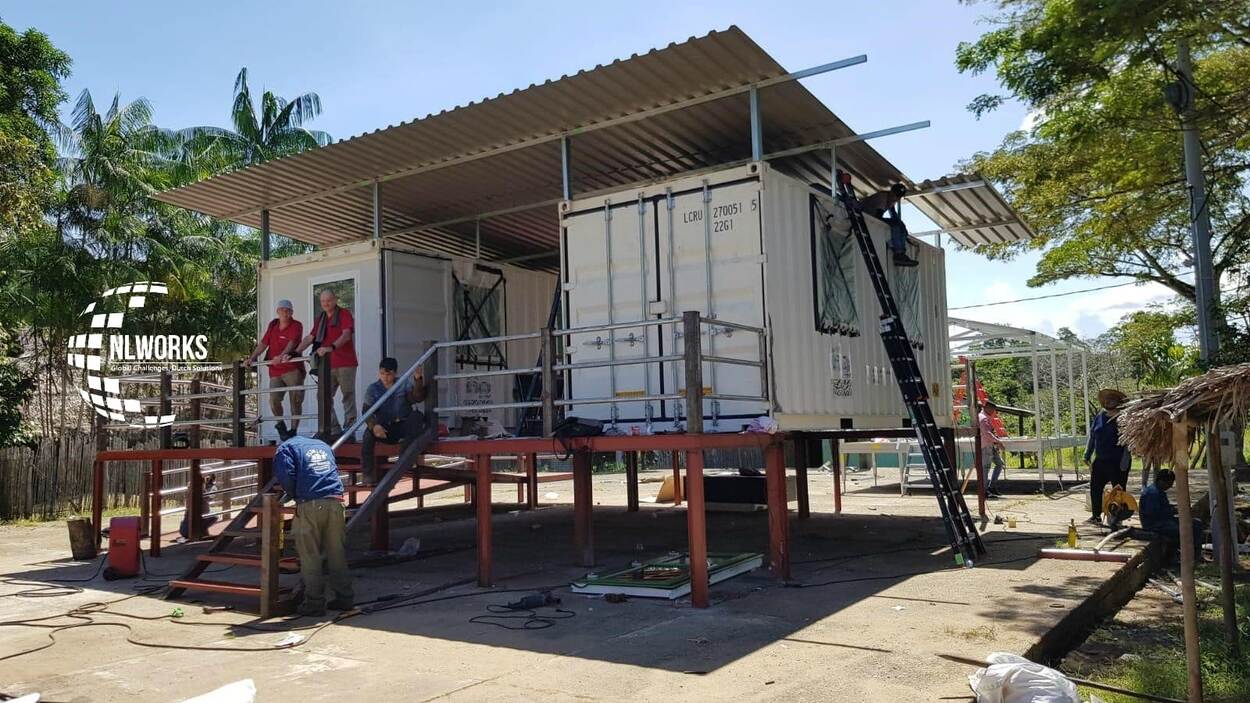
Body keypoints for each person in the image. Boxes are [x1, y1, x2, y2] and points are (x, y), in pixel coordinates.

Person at [273, 435, 352, 617]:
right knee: (336, 552)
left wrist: (292, 494)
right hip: (336, 500)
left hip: (310, 503)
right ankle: (344, 598)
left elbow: (286, 475)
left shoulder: (285, 449)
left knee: (310, 554)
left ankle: (315, 603)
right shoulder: (322, 445)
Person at [288, 289, 359, 442]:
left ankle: (349, 432)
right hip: (327, 365)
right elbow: (310, 337)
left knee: (348, 397)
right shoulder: (321, 318)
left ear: (335, 300)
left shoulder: (344, 314)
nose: (326, 303)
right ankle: (334, 430)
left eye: (328, 300)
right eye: (323, 301)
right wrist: (295, 352)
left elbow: (346, 335)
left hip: (346, 363)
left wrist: (331, 347)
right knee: (323, 396)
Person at [361, 357, 428, 484]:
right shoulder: (373, 389)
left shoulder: (403, 383)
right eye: (382, 374)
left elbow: (417, 398)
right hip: (385, 428)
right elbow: (366, 411)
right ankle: (368, 475)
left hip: (403, 424)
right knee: (368, 435)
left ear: (395, 373)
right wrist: (374, 426)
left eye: (388, 374)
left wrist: (418, 380)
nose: (385, 377)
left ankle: (405, 460)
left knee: (417, 417)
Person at [245, 300, 305, 441]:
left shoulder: (297, 325)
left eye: (288, 310)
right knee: (273, 400)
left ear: (291, 312)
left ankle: (293, 430)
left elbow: (293, 342)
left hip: (292, 369)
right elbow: (264, 343)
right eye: (282, 310)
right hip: (275, 371)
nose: (285, 312)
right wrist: (252, 358)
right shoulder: (273, 325)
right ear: (277, 311)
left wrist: (282, 355)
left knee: (295, 400)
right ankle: (281, 426)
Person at [1083, 388, 1130, 525]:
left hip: (1118, 461)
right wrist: (1087, 454)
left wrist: (1125, 460)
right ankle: (1096, 516)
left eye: (1112, 399)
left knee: (1119, 491)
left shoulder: (1123, 418)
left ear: (1118, 402)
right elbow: (1093, 436)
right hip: (1100, 460)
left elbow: (1128, 441)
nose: (1109, 401)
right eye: (1107, 399)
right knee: (1095, 488)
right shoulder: (1099, 416)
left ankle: (1117, 517)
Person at [1139, 468, 1202, 559]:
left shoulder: (1159, 492)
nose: (1169, 486)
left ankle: (1194, 554)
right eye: (1168, 483)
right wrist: (1175, 511)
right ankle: (1187, 555)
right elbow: (1154, 514)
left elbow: (1165, 508)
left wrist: (1177, 508)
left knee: (1196, 523)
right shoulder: (1152, 493)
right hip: (1155, 524)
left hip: (1164, 521)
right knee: (1185, 529)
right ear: (1161, 481)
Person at [859, 183, 919, 267]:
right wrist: (897, 227)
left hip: (872, 217)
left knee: (899, 225)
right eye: (895, 195)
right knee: (895, 226)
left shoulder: (891, 199)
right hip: (864, 216)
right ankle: (898, 254)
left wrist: (904, 231)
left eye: (899, 197)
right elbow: (878, 217)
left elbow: (894, 215)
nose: (896, 199)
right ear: (891, 192)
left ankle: (901, 252)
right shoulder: (882, 198)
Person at [977, 400, 1007, 498]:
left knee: (999, 464)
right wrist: (998, 442)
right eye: (993, 409)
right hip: (985, 446)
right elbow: (987, 434)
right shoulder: (983, 418)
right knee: (985, 468)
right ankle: (984, 491)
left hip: (990, 445)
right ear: (987, 408)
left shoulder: (986, 418)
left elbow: (990, 433)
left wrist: (996, 441)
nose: (994, 412)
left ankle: (992, 486)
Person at [177, 475, 218, 540]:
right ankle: (199, 532)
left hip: (201, 516)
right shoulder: (192, 486)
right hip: (186, 529)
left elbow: (209, 498)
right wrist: (200, 486)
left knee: (213, 516)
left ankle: (201, 531)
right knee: (213, 516)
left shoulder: (212, 487)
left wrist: (203, 488)